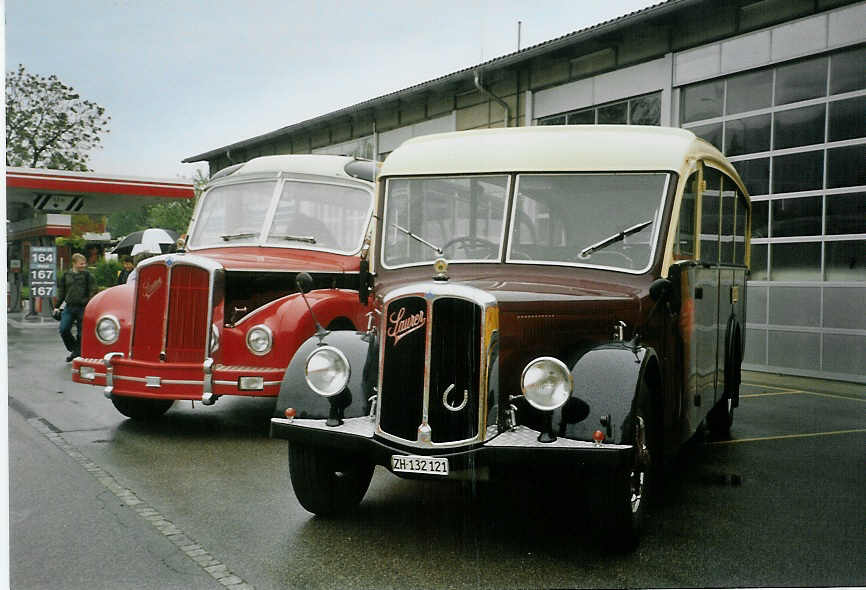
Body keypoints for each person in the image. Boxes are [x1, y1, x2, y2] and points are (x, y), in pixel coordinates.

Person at [53, 253, 95, 362]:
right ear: (74, 263)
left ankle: (77, 353)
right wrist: (56, 306)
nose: (83, 265)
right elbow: (61, 292)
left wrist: (87, 302)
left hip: (83, 308)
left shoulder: (88, 276)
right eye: (81, 264)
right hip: (69, 307)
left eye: (84, 263)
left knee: (81, 333)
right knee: (63, 329)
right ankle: (74, 349)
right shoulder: (66, 275)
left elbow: (93, 291)